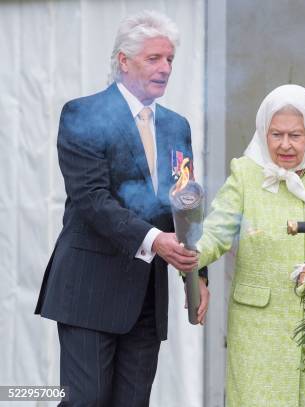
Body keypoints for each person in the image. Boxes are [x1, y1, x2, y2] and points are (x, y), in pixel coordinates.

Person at [35, 10, 208, 406]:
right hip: (89, 290)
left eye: (170, 59)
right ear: (123, 61)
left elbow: (186, 202)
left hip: (146, 297)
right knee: (86, 400)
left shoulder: (176, 125)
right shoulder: (83, 113)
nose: (166, 68)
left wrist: (197, 275)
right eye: (154, 58)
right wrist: (154, 240)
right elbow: (93, 200)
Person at [194, 84, 305, 406]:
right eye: (276, 135)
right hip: (258, 328)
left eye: (295, 135)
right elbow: (216, 232)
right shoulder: (247, 171)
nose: (285, 145)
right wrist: (189, 256)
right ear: (263, 131)